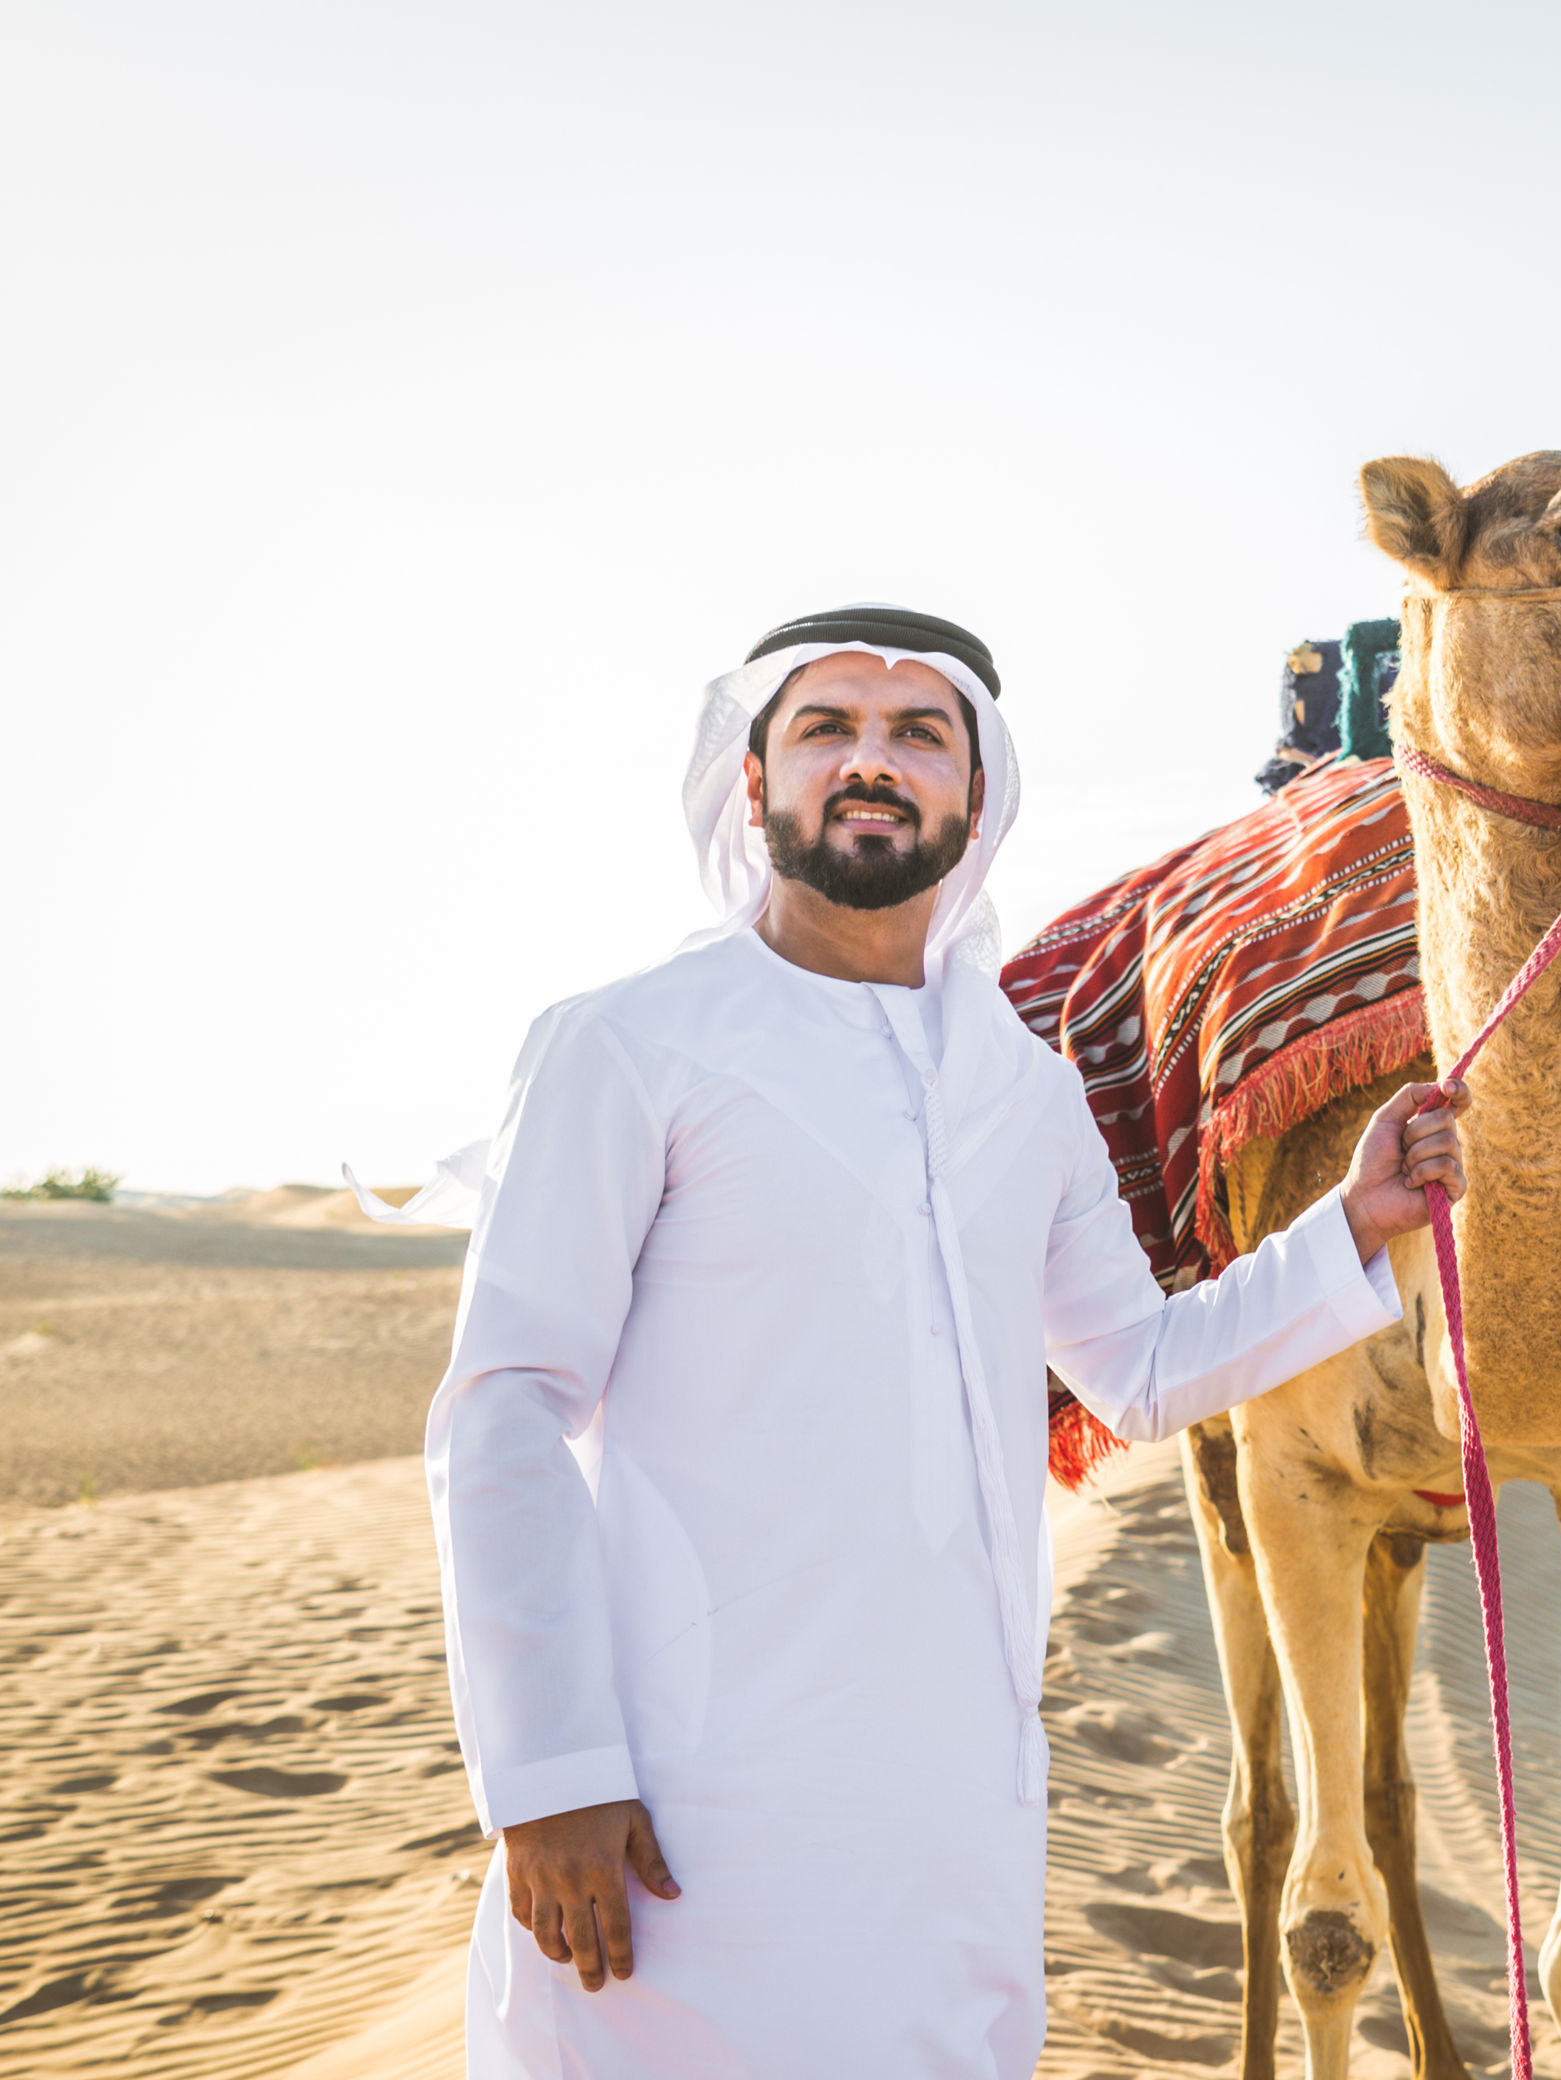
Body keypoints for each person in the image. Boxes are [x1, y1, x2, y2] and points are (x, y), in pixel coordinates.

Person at [417, 604, 1459, 2077]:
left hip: (951, 1812)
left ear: (974, 797)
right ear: (754, 778)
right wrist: (548, 1776)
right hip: (684, 1797)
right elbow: (505, 1412)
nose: (872, 762)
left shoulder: (1021, 1088)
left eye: (919, 734)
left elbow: (1142, 1370)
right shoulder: (630, 1043)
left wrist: (1352, 1226)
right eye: (827, 728)